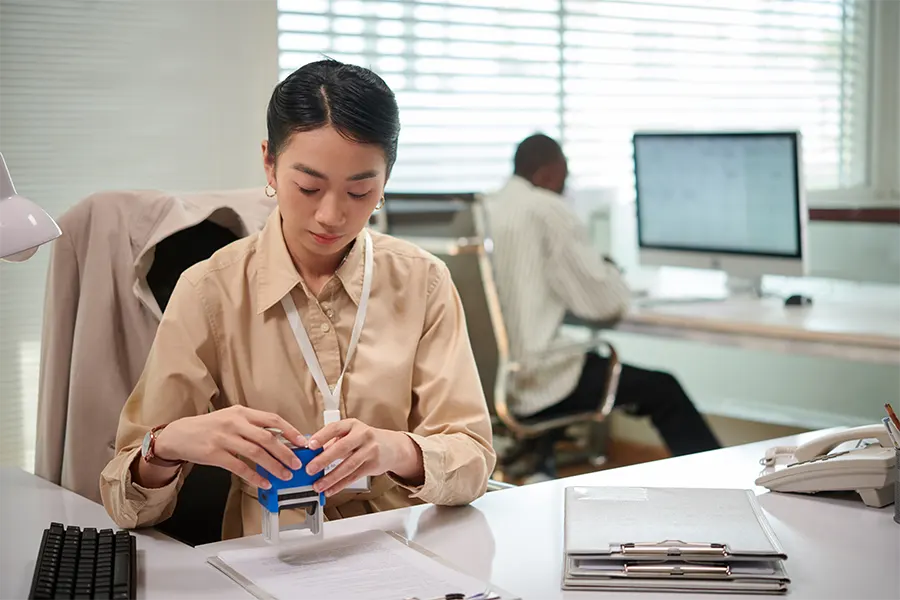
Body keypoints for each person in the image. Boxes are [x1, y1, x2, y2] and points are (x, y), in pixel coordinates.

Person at [99, 59, 496, 540]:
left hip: (404, 543)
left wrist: (395, 450)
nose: (331, 215)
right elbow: (126, 505)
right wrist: (166, 445)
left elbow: (474, 459)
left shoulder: (424, 281)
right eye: (308, 187)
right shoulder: (210, 290)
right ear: (269, 162)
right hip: (269, 552)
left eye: (360, 190)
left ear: (385, 180)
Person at [482, 133, 719, 476]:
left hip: (492, 380)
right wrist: (610, 272)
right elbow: (604, 305)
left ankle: (538, 464)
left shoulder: (486, 207)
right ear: (548, 173)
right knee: (664, 390)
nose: (565, 188)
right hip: (538, 380)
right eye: (564, 179)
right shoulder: (546, 209)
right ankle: (721, 479)